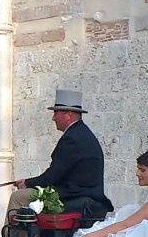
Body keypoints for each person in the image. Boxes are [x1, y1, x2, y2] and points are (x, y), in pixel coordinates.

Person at [8, 89, 113, 220]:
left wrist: (27, 183)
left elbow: (52, 177)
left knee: (18, 197)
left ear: (68, 114)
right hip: (80, 193)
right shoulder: (81, 133)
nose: (53, 118)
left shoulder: (72, 138)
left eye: (55, 113)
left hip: (74, 195)